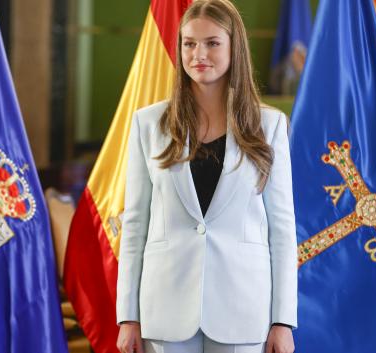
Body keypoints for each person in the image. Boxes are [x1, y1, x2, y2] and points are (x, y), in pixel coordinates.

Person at [115, 1, 297, 353]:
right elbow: (135, 225)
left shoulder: (270, 126)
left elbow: (283, 229)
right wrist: (128, 316)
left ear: (234, 48)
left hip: (244, 311)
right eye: (189, 43)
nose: (199, 53)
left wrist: (282, 321)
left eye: (212, 43)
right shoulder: (148, 123)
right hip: (165, 311)